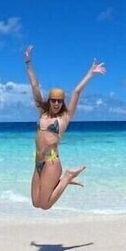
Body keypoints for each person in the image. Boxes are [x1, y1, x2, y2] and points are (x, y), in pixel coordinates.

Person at [24, 44, 106, 210]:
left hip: (52, 162)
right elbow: (34, 85)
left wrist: (90, 73)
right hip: (38, 161)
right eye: (53, 100)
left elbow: (76, 92)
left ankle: (67, 177)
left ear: (62, 102)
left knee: (45, 205)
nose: (56, 103)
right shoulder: (42, 113)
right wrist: (28, 62)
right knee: (36, 203)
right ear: (49, 101)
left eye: (59, 101)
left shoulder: (65, 117)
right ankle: (64, 180)